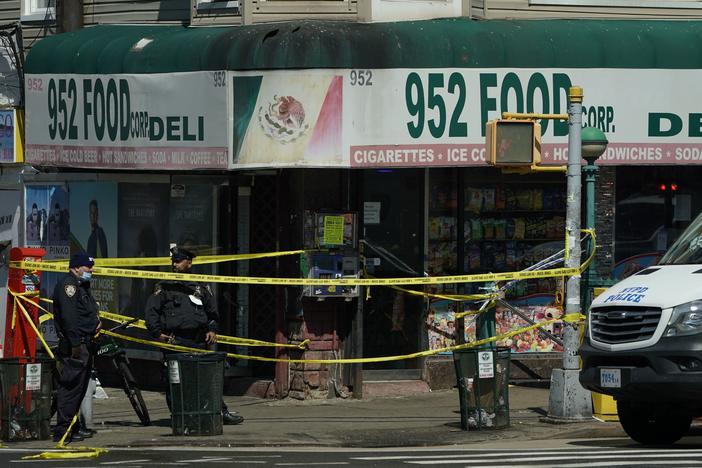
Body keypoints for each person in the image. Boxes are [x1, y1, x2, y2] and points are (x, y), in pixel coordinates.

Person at [144, 246, 243, 425]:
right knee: (174, 380)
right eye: (173, 261)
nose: (174, 264)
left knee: (205, 379)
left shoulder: (201, 285)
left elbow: (212, 312)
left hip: (197, 341)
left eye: (178, 261)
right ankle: (180, 416)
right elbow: (151, 312)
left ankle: (219, 412)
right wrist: (157, 334)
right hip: (174, 341)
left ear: (189, 263)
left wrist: (212, 329)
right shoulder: (164, 285)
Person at [51, 253, 101, 443]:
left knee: (79, 389)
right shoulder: (68, 286)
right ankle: (63, 431)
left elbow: (86, 312)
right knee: (71, 388)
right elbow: (69, 318)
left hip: (85, 343)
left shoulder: (82, 286)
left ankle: (73, 427)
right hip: (76, 345)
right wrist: (74, 344)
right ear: (77, 267)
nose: (91, 271)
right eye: (88, 268)